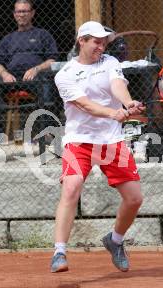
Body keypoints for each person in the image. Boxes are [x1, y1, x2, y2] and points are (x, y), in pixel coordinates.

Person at [51, 21, 145, 273]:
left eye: (104, 42)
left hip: (111, 141)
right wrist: (113, 113)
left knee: (134, 198)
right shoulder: (65, 74)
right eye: (96, 41)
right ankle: (59, 252)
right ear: (81, 41)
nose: (101, 46)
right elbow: (85, 105)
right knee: (71, 187)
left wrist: (128, 104)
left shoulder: (110, 62)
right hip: (78, 141)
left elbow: (118, 86)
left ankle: (114, 241)